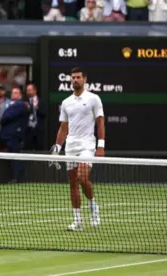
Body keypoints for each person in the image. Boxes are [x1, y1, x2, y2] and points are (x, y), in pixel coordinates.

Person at [53, 67, 104, 231]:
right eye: (73, 78)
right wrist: (57, 148)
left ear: (84, 79)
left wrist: (101, 146)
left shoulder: (93, 99)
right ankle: (78, 221)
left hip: (87, 145)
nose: (75, 80)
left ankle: (93, 207)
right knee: (73, 183)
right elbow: (63, 127)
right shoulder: (66, 102)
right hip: (71, 147)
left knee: (83, 177)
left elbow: (101, 122)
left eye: (78, 77)